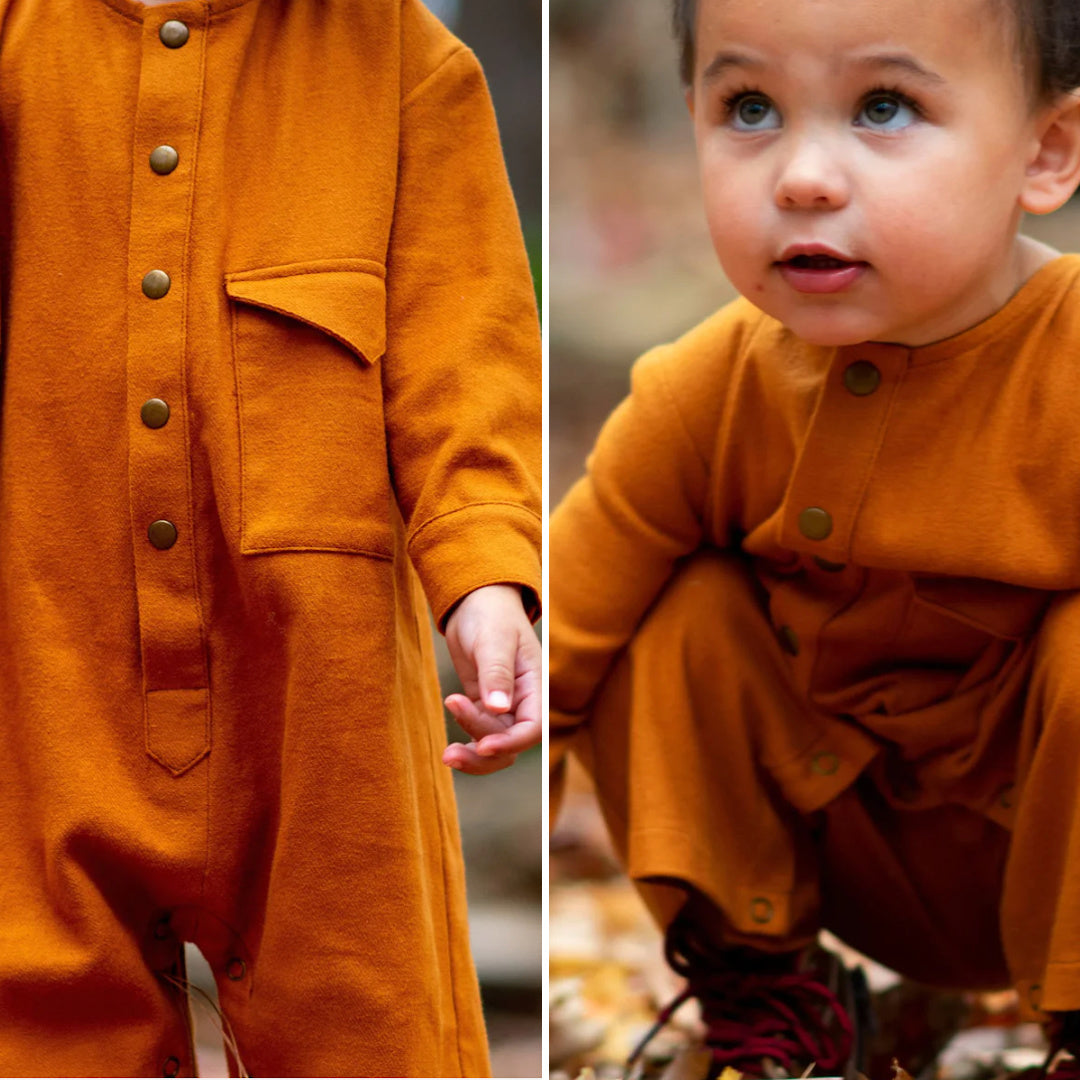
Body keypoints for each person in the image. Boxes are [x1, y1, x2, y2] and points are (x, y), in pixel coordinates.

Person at [0, 0, 539, 1076]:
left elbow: (462, 350)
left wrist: (485, 581)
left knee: (372, 1028)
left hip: (319, 703)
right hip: (44, 669)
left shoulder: (402, 60)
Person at [549, 0, 1080, 1074]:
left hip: (1048, 851)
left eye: (884, 106)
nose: (801, 178)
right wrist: (490, 734)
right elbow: (563, 617)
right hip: (837, 848)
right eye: (750, 108)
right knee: (672, 606)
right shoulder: (710, 389)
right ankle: (771, 1001)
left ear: (1047, 151)